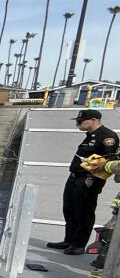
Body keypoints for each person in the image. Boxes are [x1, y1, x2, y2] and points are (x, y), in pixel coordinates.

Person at [47, 109, 119, 255]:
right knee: (70, 209)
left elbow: (109, 162)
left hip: (88, 180)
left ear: (93, 120)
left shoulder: (107, 137)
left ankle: (79, 244)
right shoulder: (90, 135)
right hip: (75, 177)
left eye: (81, 121)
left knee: (83, 211)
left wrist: (92, 180)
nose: (78, 124)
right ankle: (69, 240)